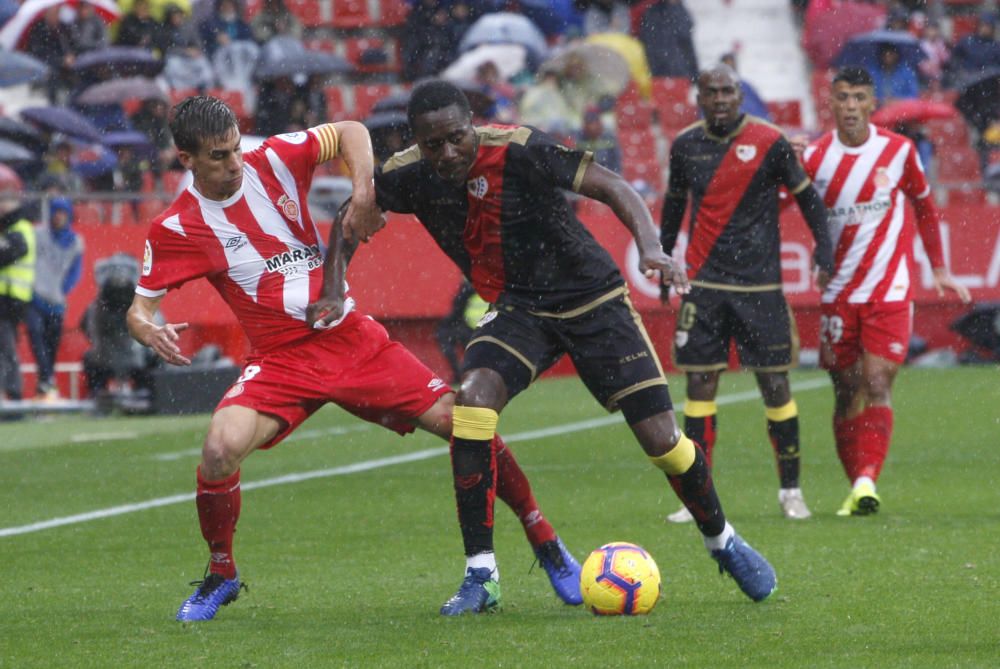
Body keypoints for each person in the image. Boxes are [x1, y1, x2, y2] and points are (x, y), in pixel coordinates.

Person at [318, 79, 778, 615]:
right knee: (472, 404)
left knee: (663, 442)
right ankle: (481, 575)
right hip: (520, 309)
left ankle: (722, 540)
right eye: (433, 143)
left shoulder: (521, 148)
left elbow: (612, 186)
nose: (447, 153)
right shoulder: (407, 172)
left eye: (457, 138)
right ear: (417, 141)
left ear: (473, 126)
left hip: (592, 298)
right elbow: (350, 218)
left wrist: (652, 248)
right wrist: (332, 288)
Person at [125, 96, 582, 622]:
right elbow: (140, 310)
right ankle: (222, 573)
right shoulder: (176, 228)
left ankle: (543, 539)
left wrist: (364, 190)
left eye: (236, 149)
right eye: (218, 157)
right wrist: (148, 330)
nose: (235, 164)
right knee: (219, 448)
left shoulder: (272, 157)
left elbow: (349, 130)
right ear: (185, 159)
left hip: (348, 339)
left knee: (466, 424)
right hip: (280, 361)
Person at [659, 65, 834, 523]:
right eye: (712, 92)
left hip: (761, 287)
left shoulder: (770, 141)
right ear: (700, 97)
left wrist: (824, 249)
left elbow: (809, 199)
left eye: (728, 91)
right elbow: (675, 206)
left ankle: (791, 491)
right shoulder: (685, 146)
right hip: (705, 284)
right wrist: (661, 260)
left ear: (740, 95)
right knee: (699, 383)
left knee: (774, 384)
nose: (720, 99)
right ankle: (695, 497)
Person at [797, 66, 971, 516]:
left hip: (889, 288)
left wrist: (939, 267)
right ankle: (857, 479)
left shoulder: (898, 151)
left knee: (876, 381)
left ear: (873, 105)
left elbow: (925, 207)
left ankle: (866, 481)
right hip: (837, 291)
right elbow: (782, 202)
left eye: (858, 97)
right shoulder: (814, 157)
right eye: (842, 97)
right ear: (830, 103)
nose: (851, 106)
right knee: (844, 388)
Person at [26, 197, 83, 399]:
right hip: (34, 296)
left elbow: (76, 272)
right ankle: (47, 377)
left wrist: (62, 289)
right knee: (35, 335)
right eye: (55, 212)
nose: (58, 216)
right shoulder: (38, 234)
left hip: (57, 301)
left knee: (52, 344)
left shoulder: (75, 242)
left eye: (62, 212)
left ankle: (45, 383)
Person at [0, 165, 36, 404]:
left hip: (10, 300)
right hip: (12, 300)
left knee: (6, 349)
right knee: (6, 348)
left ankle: (11, 394)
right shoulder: (16, 228)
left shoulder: (18, 229)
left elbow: (7, 255)